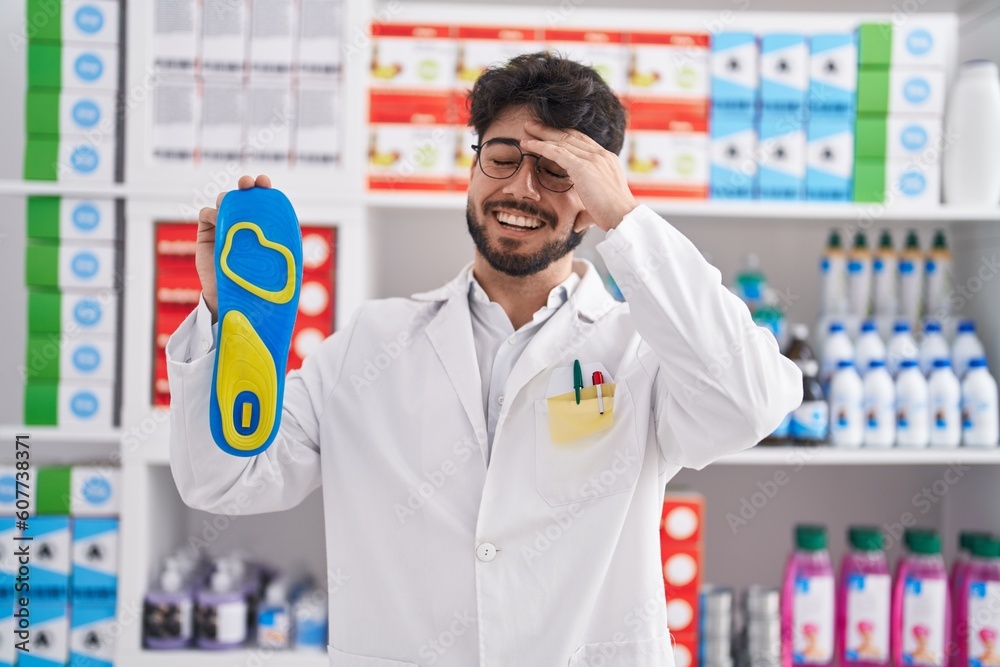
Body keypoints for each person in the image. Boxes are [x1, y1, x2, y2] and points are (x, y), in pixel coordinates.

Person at [167, 52, 802, 666]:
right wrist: (228, 328)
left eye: (556, 170)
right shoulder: (370, 343)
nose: (520, 189)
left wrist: (629, 219)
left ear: (593, 194)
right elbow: (223, 480)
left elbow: (752, 401)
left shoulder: (643, 351)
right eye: (502, 158)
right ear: (474, 169)